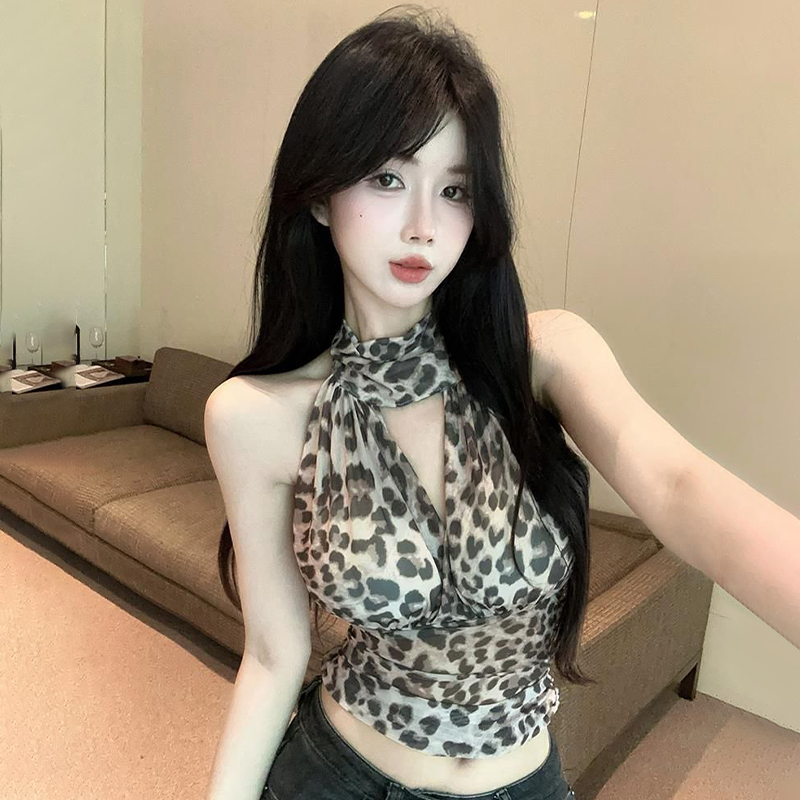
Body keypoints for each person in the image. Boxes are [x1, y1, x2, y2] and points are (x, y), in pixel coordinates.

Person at [204, 5, 800, 800]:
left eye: (455, 189)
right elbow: (274, 655)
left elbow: (677, 484)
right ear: (319, 196)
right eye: (387, 179)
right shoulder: (254, 417)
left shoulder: (542, 357)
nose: (423, 227)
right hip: (338, 774)